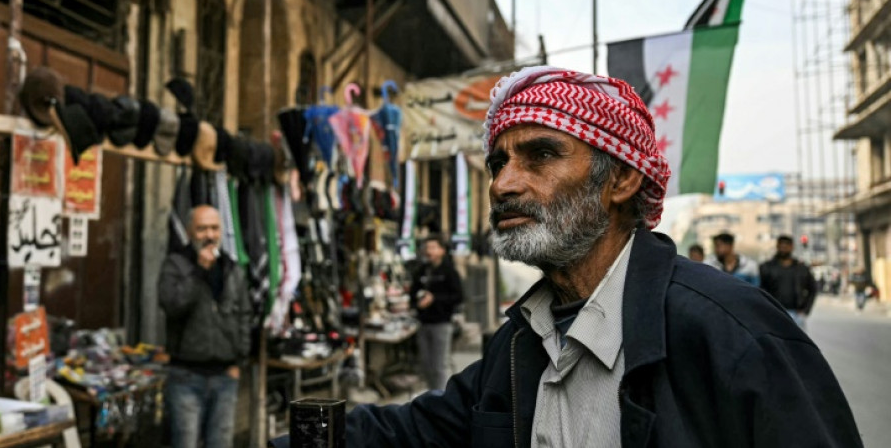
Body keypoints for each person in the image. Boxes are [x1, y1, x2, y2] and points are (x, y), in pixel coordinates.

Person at [270, 67, 860, 447]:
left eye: (541, 155)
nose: (503, 184)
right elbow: (420, 431)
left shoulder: (730, 334)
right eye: (498, 163)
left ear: (621, 178)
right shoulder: (521, 342)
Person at [158, 205, 252, 448]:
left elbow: (244, 314)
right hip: (186, 376)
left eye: (214, 228)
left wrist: (238, 360)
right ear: (190, 232)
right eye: (202, 229)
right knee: (185, 442)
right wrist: (199, 271)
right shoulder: (176, 265)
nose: (209, 235)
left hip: (225, 376)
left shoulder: (231, 267)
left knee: (220, 443)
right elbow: (172, 305)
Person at [410, 234, 464, 391]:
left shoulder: (449, 271)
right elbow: (412, 295)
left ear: (442, 250)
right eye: (427, 248)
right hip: (423, 323)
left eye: (433, 247)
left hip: (442, 323)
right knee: (426, 365)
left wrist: (434, 299)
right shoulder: (420, 271)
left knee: (440, 365)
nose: (429, 251)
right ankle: (432, 395)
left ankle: (442, 397)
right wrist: (417, 303)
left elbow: (458, 297)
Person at [759, 235, 817, 330]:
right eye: (781, 245)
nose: (783, 248)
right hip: (774, 312)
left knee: (797, 339)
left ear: (792, 247)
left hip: (796, 314)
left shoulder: (801, 268)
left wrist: (805, 310)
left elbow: (813, 289)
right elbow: (761, 289)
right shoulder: (766, 267)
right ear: (777, 246)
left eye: (786, 246)